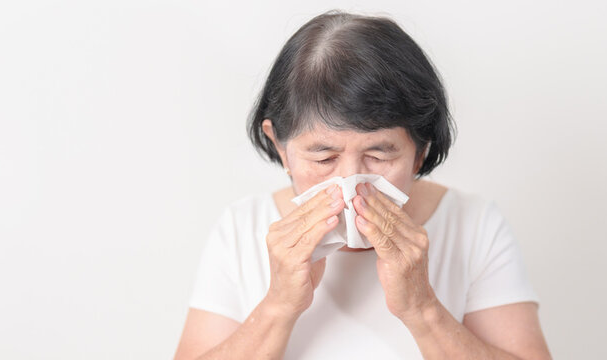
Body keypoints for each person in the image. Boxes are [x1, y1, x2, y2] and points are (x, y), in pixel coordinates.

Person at [174, 9, 551, 359]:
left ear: (420, 152)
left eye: (381, 154)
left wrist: (423, 309)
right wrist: (278, 306)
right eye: (323, 157)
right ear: (281, 147)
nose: (350, 184)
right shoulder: (241, 230)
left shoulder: (474, 225)